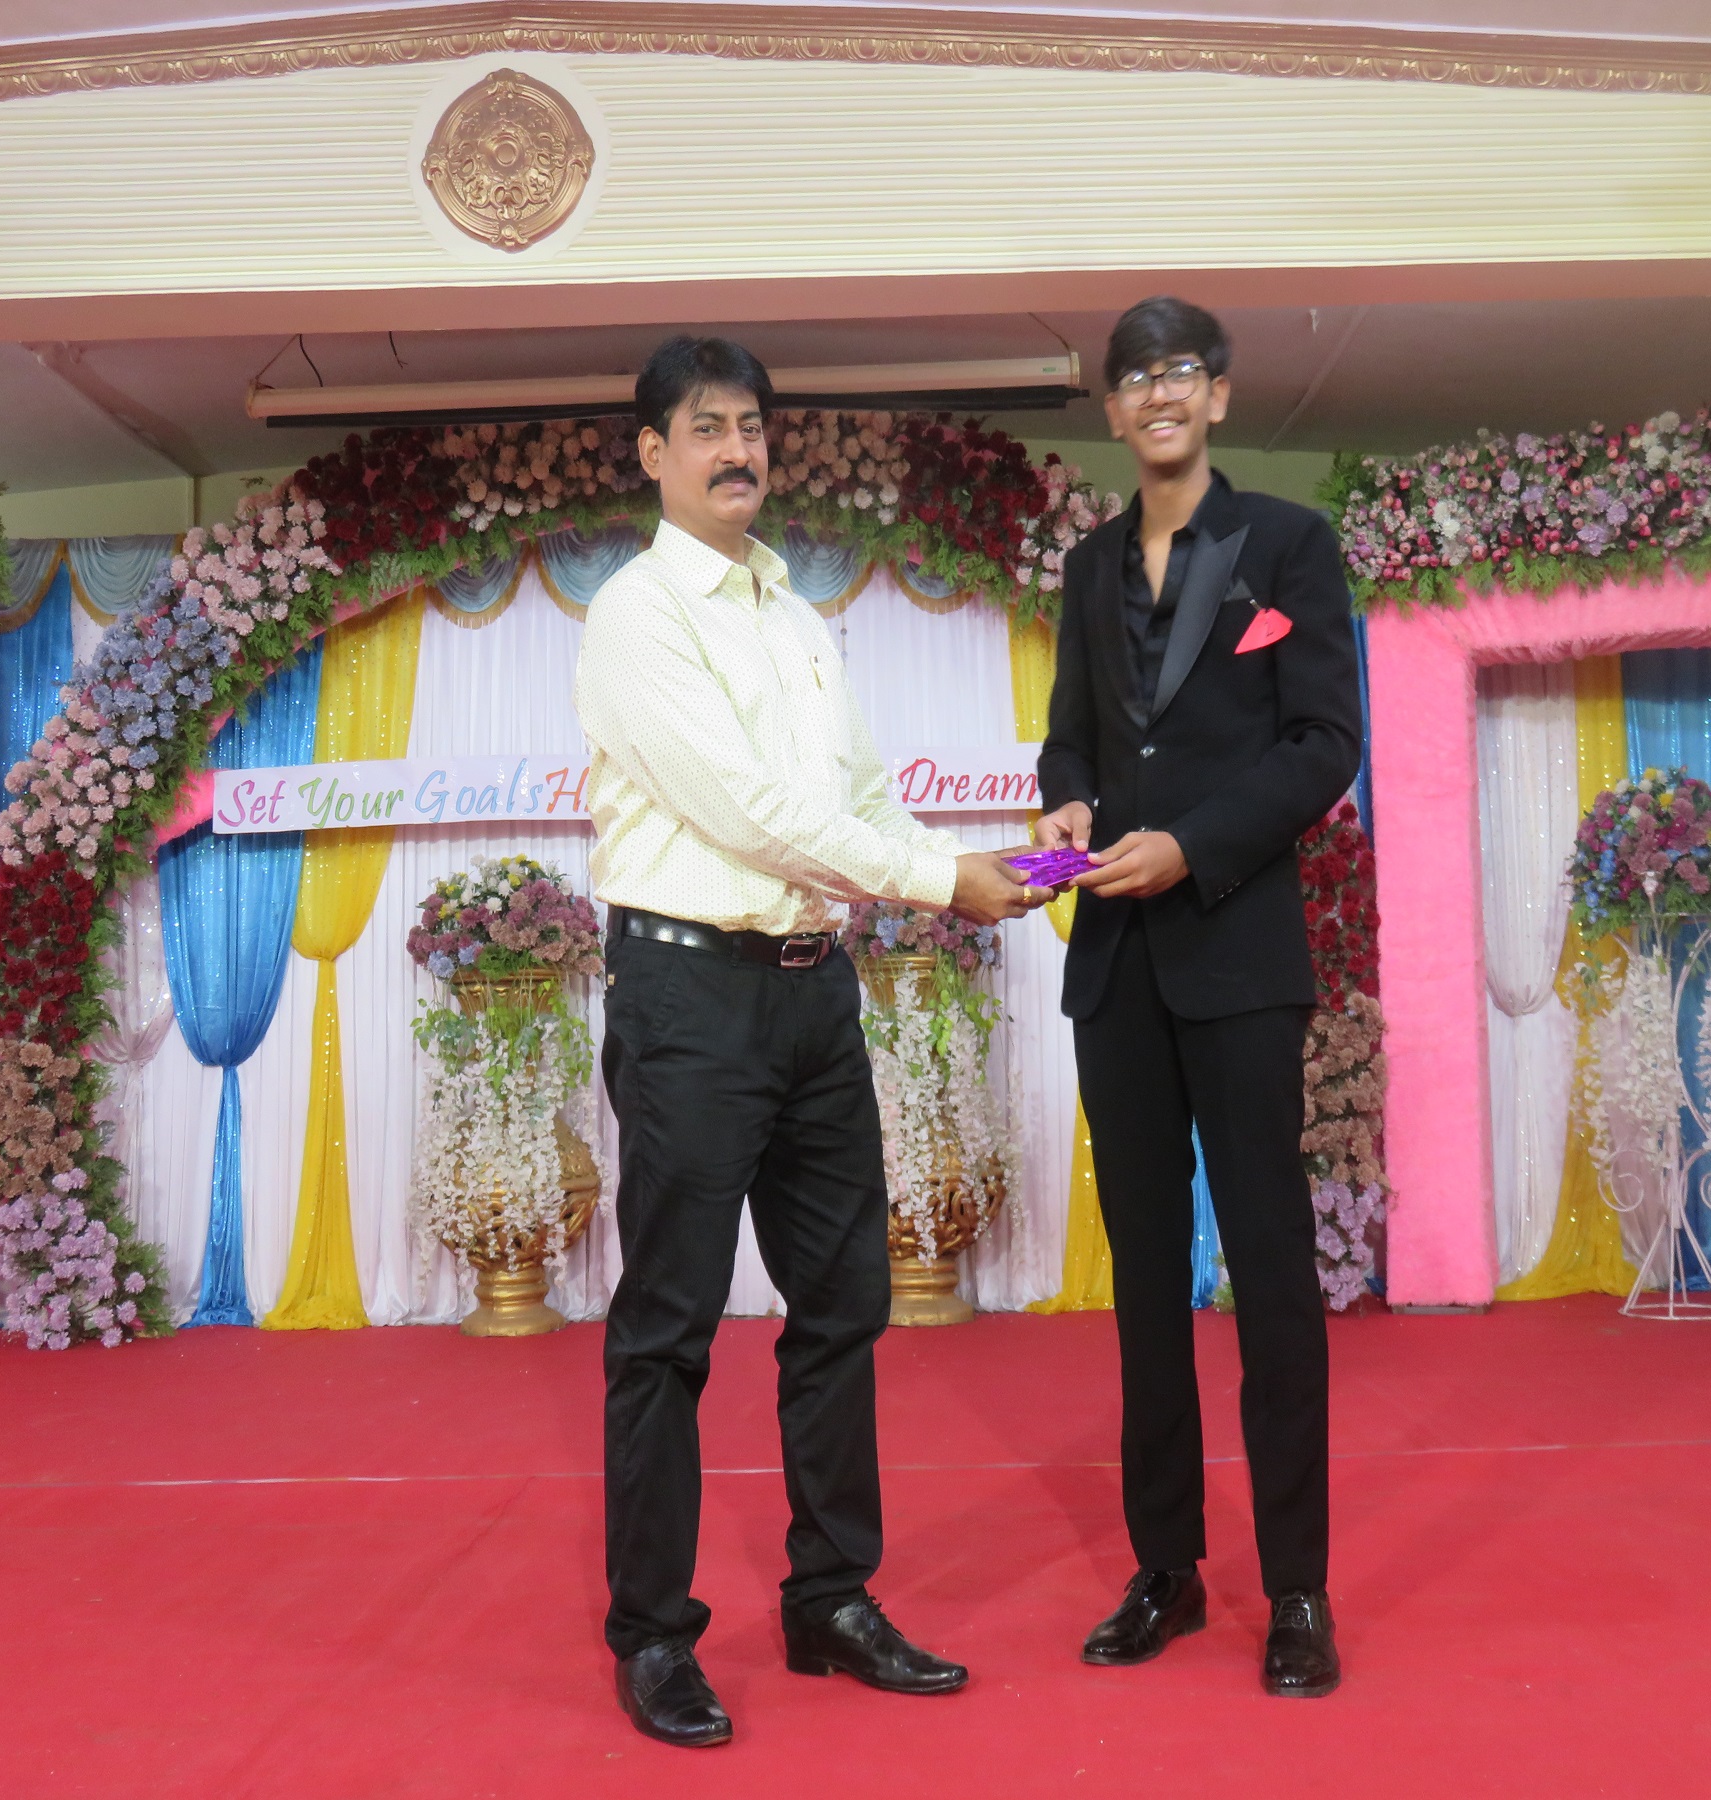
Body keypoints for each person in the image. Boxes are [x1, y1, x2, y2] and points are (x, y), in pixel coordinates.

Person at [575, 336, 1047, 1749]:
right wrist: (938, 882)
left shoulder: (795, 614)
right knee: (670, 1328)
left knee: (844, 1307)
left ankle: (831, 1597)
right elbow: (751, 816)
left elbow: (857, 799)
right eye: (706, 427)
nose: (738, 450)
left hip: (810, 994)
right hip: (687, 1001)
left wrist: (981, 865)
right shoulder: (638, 615)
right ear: (652, 453)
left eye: (753, 427)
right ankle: (654, 1634)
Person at [1035, 297, 1364, 1697]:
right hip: (1115, 966)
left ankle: (1298, 1589)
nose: (1158, 395)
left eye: (1179, 372)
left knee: (1273, 1275)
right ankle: (1164, 1567)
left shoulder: (1288, 544)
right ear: (1111, 409)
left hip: (1237, 957)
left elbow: (1323, 742)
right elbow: (1072, 736)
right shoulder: (1087, 566)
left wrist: (1194, 845)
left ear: (1217, 396)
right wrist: (1066, 802)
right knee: (1146, 1281)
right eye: (1134, 378)